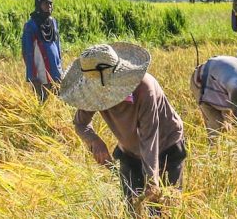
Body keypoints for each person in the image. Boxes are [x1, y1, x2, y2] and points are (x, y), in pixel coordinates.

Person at [59, 43, 185, 216]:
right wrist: (94, 141)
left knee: (164, 210)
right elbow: (80, 124)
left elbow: (149, 138)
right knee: (131, 208)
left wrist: (152, 182)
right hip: (130, 151)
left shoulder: (144, 88)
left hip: (165, 146)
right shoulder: (94, 92)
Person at [22, 0, 63, 103]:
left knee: (59, 100)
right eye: (46, 4)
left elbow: (58, 46)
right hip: (41, 71)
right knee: (42, 101)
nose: (49, 6)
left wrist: (60, 67)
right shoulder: (30, 25)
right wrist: (32, 75)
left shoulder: (53, 22)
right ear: (38, 5)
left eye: (51, 4)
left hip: (55, 70)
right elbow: (27, 52)